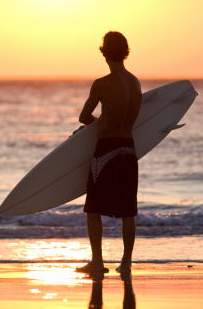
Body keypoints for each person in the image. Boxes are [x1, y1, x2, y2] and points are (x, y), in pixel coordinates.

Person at [74, 31, 142, 280]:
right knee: (128, 210)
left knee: (93, 206)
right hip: (129, 149)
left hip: (107, 149)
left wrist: (96, 123)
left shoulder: (102, 83)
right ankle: (126, 263)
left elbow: (84, 117)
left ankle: (97, 261)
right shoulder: (135, 82)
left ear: (104, 52)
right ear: (125, 51)